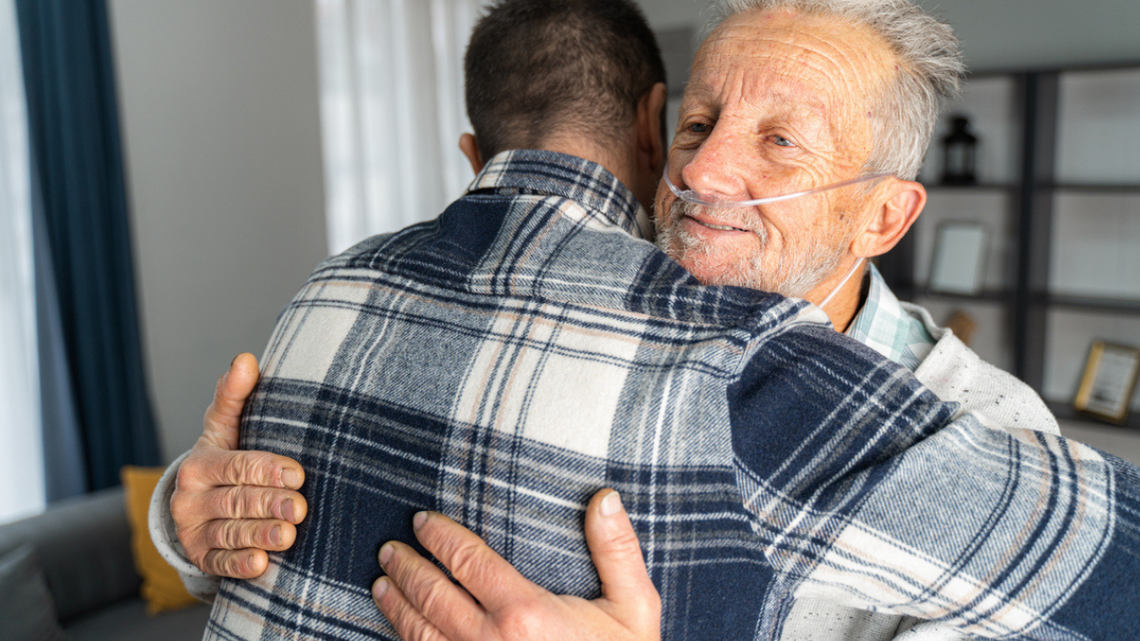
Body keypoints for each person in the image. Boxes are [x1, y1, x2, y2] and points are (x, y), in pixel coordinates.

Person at [151, 0, 1140, 639]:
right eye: (698, 125)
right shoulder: (580, 328)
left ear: (884, 213)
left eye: (781, 141)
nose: (702, 173)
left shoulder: (990, 431)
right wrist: (191, 523)